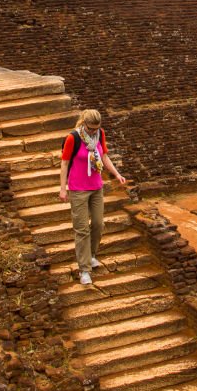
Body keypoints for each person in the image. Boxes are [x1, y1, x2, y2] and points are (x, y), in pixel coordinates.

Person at [58, 109, 126, 285]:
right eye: (90, 129)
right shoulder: (73, 138)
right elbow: (65, 163)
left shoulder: (100, 134)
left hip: (96, 186)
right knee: (82, 230)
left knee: (98, 224)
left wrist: (117, 174)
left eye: (96, 128)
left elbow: (104, 156)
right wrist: (63, 189)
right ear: (84, 124)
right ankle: (84, 270)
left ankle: (92, 254)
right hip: (78, 189)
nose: (93, 132)